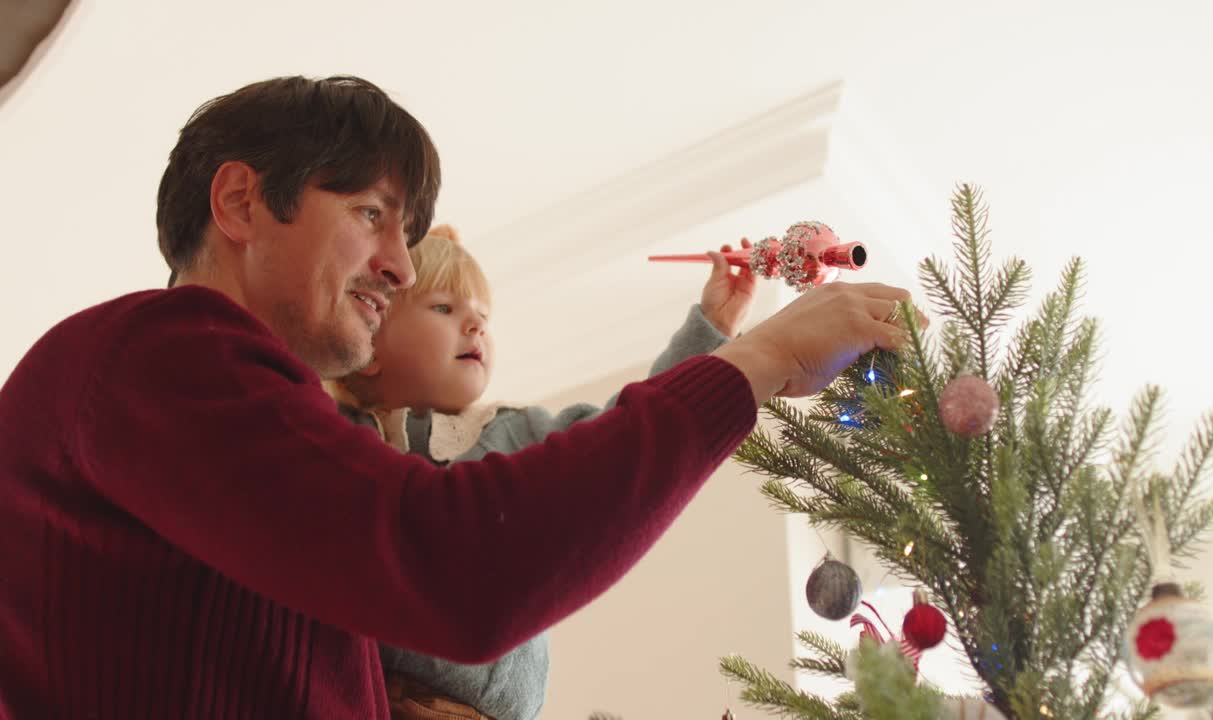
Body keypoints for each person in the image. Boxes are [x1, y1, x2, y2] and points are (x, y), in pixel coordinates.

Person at [0, 75, 921, 719]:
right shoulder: (152, 354)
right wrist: (752, 363)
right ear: (240, 203)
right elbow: (455, 564)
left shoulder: (253, 455)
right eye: (371, 214)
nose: (399, 265)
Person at [326, 224, 757, 720]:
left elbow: (626, 436)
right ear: (371, 346)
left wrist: (712, 328)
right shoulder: (340, 437)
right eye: (444, 308)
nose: (475, 326)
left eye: (482, 316)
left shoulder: (517, 430)